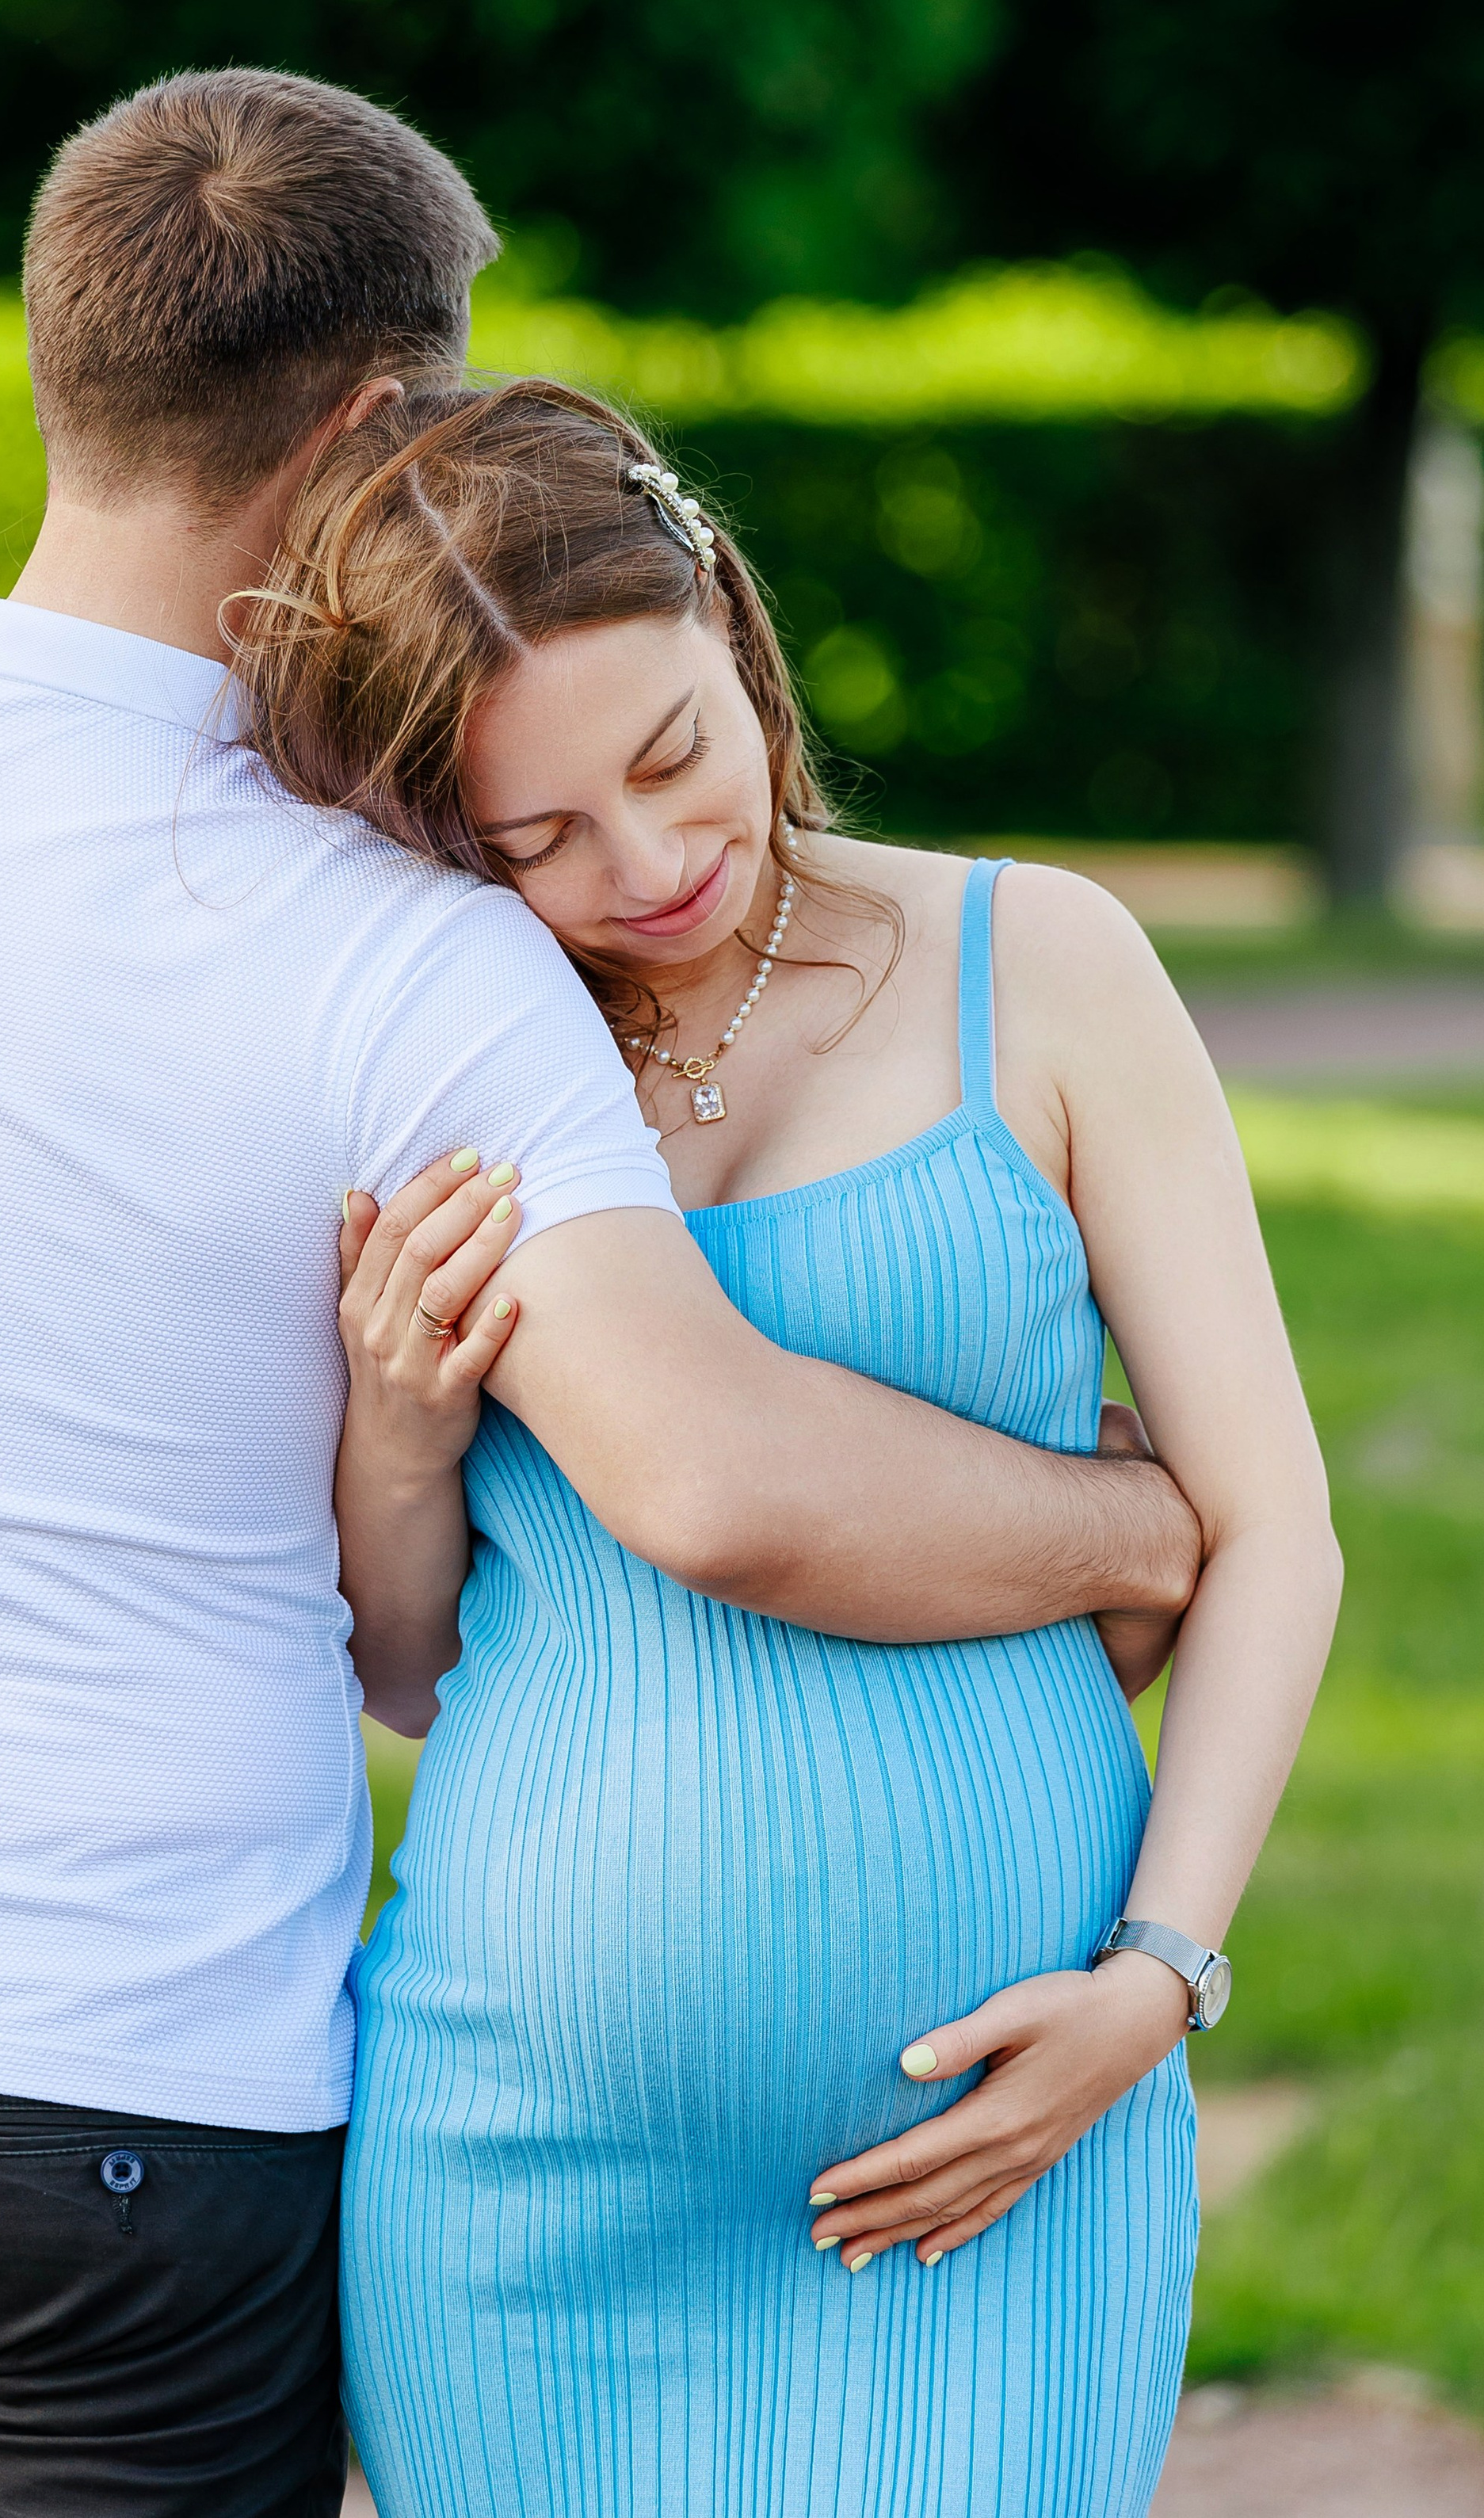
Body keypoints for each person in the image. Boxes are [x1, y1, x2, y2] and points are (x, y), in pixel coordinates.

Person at [0, 71, 1200, 2518]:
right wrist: (1134, 1533)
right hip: (121, 2075)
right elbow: (719, 1474)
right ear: (360, 424)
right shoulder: (390, 941)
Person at [231, 379, 1342, 2518]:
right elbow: (402, 1664)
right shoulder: (453, 1042)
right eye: (534, 837)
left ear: (735, 628)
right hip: (522, 2167)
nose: (644, 868)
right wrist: (392, 1432)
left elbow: (1274, 1532)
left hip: (1008, 2161)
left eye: (672, 759)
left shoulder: (1044, 966)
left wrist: (1160, 1979)